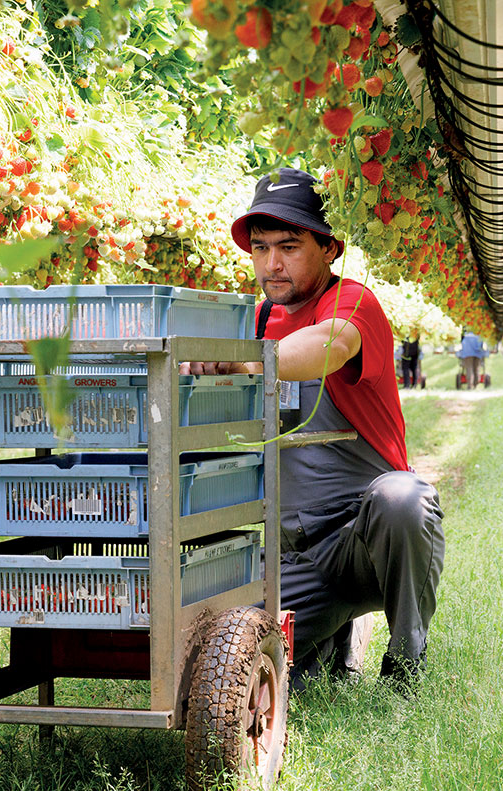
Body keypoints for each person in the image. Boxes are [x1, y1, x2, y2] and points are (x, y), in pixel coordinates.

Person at [184, 168, 444, 688]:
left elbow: (328, 346)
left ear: (329, 250)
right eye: (260, 248)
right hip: (297, 554)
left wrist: (245, 363)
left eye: (289, 246)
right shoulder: (256, 323)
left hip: (366, 538)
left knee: (403, 498)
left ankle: (406, 660)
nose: (271, 263)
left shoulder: (350, 303)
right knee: (223, 660)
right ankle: (332, 634)